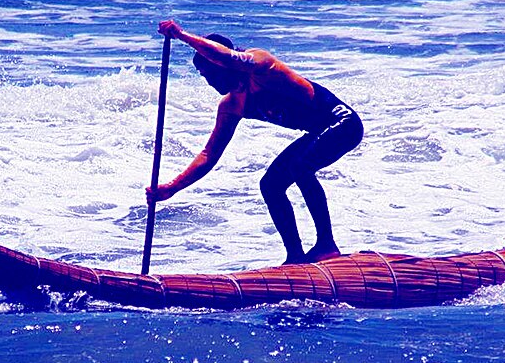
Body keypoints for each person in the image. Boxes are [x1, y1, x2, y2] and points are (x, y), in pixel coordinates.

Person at [146, 20, 364, 264]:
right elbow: (209, 155)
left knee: (300, 166)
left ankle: (326, 243)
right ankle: (295, 257)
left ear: (222, 65)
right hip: (317, 132)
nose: (209, 81)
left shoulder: (261, 66)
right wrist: (172, 187)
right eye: (205, 77)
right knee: (270, 184)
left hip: (343, 123)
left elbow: (229, 58)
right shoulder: (232, 105)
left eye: (211, 73)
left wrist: (181, 35)